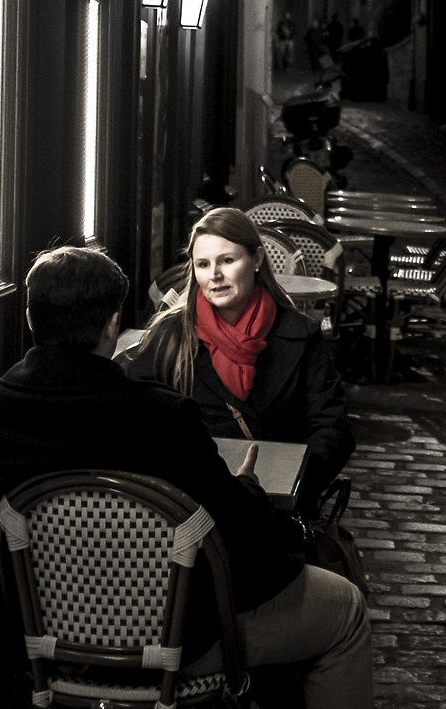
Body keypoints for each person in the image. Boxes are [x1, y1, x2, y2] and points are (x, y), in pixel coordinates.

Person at [0, 245, 372, 709]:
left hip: (39, 640)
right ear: (113, 324)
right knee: (346, 610)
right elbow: (243, 532)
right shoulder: (163, 417)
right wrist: (252, 491)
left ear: (31, 317)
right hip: (174, 642)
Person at [126, 208, 355, 511]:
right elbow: (134, 417)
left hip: (275, 507)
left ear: (257, 259)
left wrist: (296, 485)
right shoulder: (171, 335)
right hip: (193, 505)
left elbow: (330, 426)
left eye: (227, 261)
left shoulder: (300, 334)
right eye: (203, 265)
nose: (215, 275)